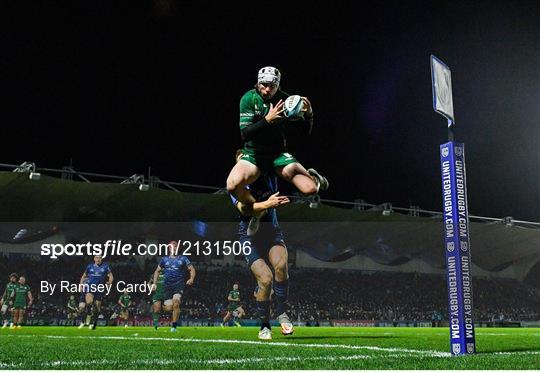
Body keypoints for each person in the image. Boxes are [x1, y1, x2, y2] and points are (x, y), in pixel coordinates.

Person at [226, 66, 329, 210]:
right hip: (254, 155)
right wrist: (267, 120)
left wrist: (309, 115)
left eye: (272, 86)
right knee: (232, 186)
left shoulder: (285, 100)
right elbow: (245, 134)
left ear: (278, 85)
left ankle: (315, 177)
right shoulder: (248, 99)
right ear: (258, 82)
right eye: (264, 85)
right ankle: (258, 209)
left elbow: (304, 133)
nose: (267, 89)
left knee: (310, 190)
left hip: (277, 155)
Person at [230, 152, 294, 340]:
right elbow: (243, 208)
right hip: (249, 237)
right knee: (265, 280)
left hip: (271, 232)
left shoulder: (267, 175)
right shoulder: (237, 183)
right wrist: (268, 203)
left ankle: (282, 313)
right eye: (240, 159)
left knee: (281, 267)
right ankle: (264, 326)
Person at [152, 241, 196, 332]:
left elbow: (192, 269)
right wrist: (154, 283)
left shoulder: (183, 258)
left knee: (176, 303)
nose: (174, 248)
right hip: (167, 287)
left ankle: (174, 327)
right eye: (172, 247)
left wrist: (191, 278)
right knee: (169, 308)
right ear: (169, 248)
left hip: (178, 285)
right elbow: (157, 271)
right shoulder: (164, 259)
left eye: (176, 246)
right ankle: (171, 310)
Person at [77, 255, 113, 330]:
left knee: (97, 307)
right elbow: (83, 276)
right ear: (94, 259)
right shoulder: (90, 266)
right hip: (89, 287)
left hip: (99, 289)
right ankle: (85, 319)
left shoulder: (105, 267)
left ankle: (94, 323)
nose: (98, 259)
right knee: (88, 303)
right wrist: (80, 285)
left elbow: (111, 276)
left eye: (99, 258)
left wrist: (109, 282)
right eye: (96, 258)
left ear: (101, 259)